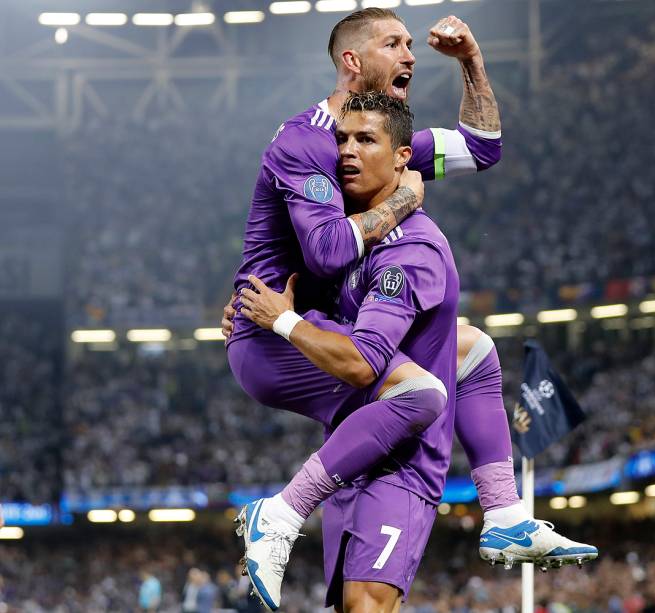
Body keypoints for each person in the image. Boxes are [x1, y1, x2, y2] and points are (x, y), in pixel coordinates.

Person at [225, 9, 595, 608]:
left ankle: (502, 511)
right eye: (392, 44)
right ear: (353, 62)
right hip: (276, 332)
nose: (410, 54)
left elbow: (484, 147)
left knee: (472, 351)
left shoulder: (373, 141)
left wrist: (472, 62)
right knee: (421, 393)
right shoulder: (310, 140)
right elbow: (324, 251)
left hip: (313, 322)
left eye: (408, 43)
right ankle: (282, 514)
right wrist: (399, 203)